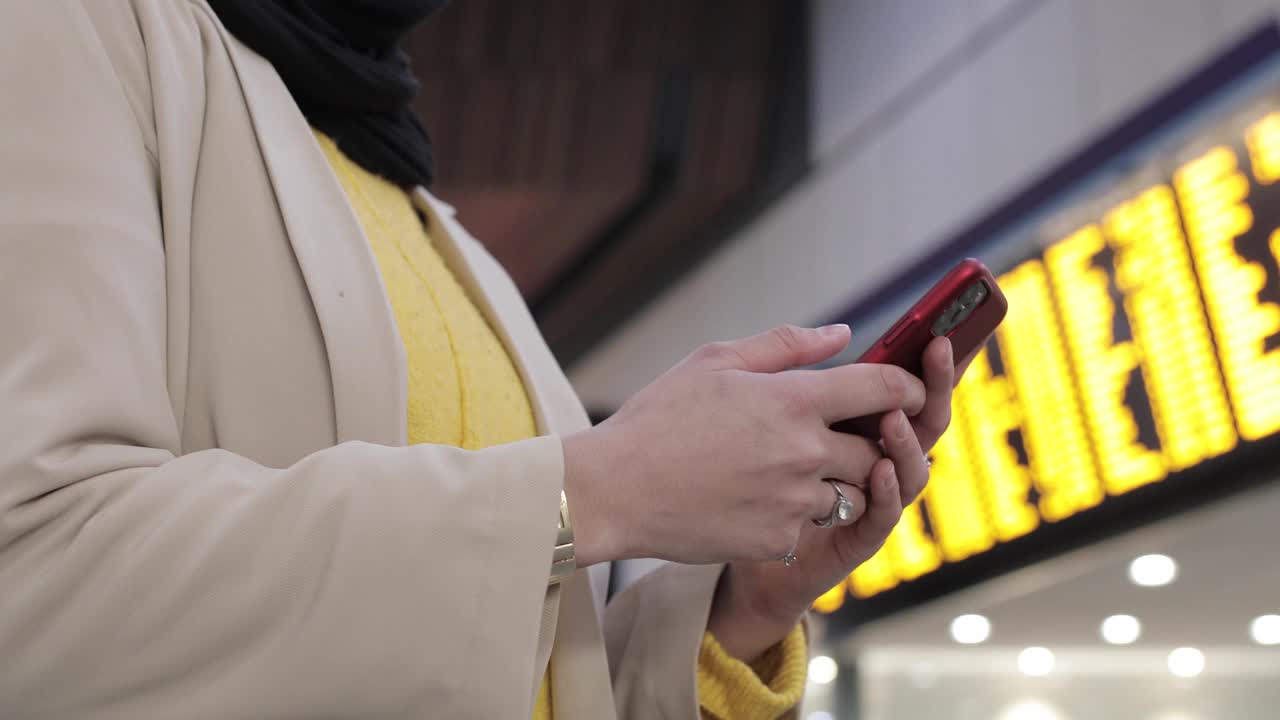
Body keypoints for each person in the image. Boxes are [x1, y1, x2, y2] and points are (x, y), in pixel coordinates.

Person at [0, 2, 966, 718]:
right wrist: (590, 493)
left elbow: (534, 682)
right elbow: (31, 579)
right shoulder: (70, 33)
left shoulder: (427, 222)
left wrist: (741, 613)